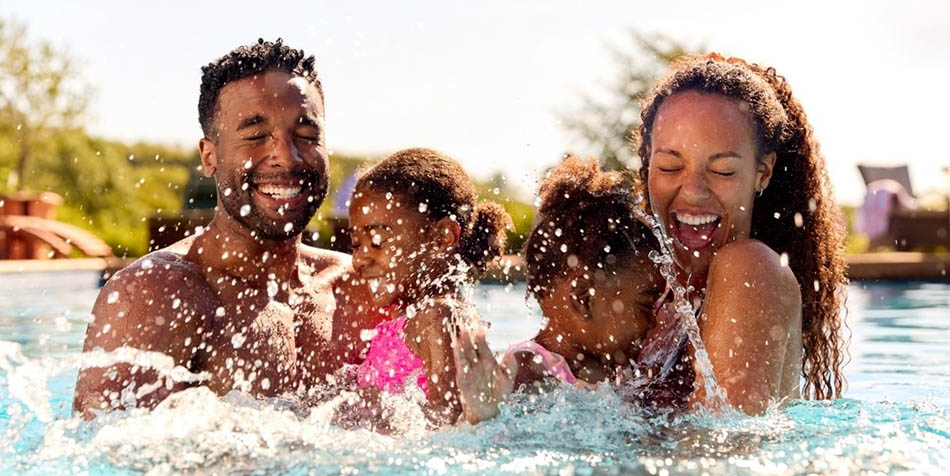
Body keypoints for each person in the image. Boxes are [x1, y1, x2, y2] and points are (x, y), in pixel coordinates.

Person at [73, 39, 377, 418]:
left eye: (306, 135)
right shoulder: (157, 294)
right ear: (209, 156)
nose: (286, 155)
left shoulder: (359, 287)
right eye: (254, 135)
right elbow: (103, 456)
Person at [635, 53, 847, 414]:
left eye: (722, 171)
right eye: (670, 166)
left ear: (763, 173)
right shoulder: (652, 290)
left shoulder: (750, 269)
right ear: (647, 162)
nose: (693, 191)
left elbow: (722, 453)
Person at [453, 156, 664, 424]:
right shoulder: (528, 368)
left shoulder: (616, 372)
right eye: (646, 304)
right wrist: (485, 418)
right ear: (583, 300)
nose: (655, 320)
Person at [346, 148, 511, 425]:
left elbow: (448, 422)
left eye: (376, 242)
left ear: (442, 237)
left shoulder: (437, 317)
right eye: (355, 244)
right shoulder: (415, 317)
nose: (360, 258)